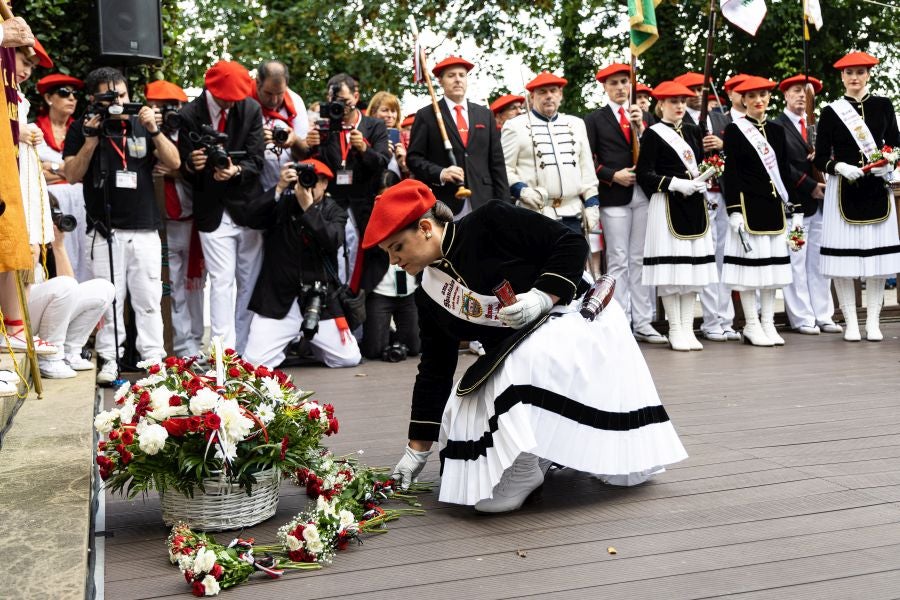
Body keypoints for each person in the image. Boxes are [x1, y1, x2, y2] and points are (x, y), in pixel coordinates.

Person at [364, 179, 687, 513]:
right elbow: (434, 370)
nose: (393, 261)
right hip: (522, 351)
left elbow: (571, 243)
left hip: (575, 318)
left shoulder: (490, 220)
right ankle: (539, 453)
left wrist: (542, 296)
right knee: (463, 402)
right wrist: (417, 449)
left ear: (425, 227)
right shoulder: (429, 292)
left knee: (521, 363)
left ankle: (526, 462)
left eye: (397, 248)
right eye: (388, 252)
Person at [63, 67, 180, 383]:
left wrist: (154, 130)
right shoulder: (82, 128)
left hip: (144, 227)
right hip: (105, 229)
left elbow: (174, 162)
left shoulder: (142, 124)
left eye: (123, 95)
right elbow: (71, 174)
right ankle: (110, 360)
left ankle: (154, 361)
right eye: (109, 97)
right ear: (94, 99)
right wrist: (90, 140)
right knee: (109, 302)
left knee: (148, 299)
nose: (118, 102)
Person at [178, 60, 266, 355]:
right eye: (225, 97)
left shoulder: (251, 109)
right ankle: (222, 354)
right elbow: (183, 165)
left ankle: (246, 350)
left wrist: (236, 170)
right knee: (220, 282)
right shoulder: (189, 114)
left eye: (236, 98)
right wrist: (193, 163)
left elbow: (257, 160)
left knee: (248, 282)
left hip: (247, 208)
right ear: (210, 89)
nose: (230, 102)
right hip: (211, 209)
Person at [813, 51, 900, 342]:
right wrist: (838, 166)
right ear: (841, 77)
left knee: (877, 263)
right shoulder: (830, 111)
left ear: (868, 75)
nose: (854, 78)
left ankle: (873, 322)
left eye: (860, 72)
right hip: (842, 191)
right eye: (849, 73)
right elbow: (820, 158)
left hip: (877, 188)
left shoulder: (883, 106)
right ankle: (850, 321)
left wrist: (889, 163)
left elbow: (896, 146)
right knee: (844, 262)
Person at [243, 159, 361, 368]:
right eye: (304, 181)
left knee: (349, 357)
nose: (309, 186)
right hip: (279, 301)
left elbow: (333, 240)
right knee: (254, 362)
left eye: (315, 181)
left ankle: (311, 344)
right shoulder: (282, 204)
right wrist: (279, 187)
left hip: (319, 301)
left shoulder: (335, 210)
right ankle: (290, 344)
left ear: (325, 184)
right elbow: (250, 218)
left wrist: (308, 209)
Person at [585, 62, 665, 344]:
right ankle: (621, 320)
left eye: (624, 82)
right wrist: (611, 175)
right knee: (618, 260)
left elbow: (655, 153)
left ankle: (644, 321)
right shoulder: (595, 120)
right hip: (614, 197)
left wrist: (640, 127)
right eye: (614, 83)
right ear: (605, 87)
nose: (620, 88)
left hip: (643, 194)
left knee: (640, 259)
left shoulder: (645, 118)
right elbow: (589, 159)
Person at [635, 81, 718, 352]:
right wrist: (673, 183)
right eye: (673, 101)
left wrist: (705, 176)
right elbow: (644, 174)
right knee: (673, 271)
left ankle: (687, 328)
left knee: (691, 270)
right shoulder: (653, 134)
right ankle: (675, 329)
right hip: (668, 203)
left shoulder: (694, 132)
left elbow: (706, 163)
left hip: (694, 205)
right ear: (661, 105)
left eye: (682, 100)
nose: (679, 106)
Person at [721, 76, 799, 347]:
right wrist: (733, 210)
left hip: (773, 208)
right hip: (748, 208)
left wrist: (795, 208)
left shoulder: (776, 131)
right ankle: (751, 325)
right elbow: (731, 173)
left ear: (768, 98)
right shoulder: (735, 130)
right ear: (743, 99)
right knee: (749, 272)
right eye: (752, 96)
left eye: (763, 95)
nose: (758, 100)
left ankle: (768, 322)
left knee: (772, 272)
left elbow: (785, 172)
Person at [303, 73, 390, 288]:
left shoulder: (374, 126)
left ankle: (359, 306)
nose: (339, 107)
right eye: (334, 102)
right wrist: (310, 145)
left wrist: (364, 149)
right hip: (334, 202)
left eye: (344, 101)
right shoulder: (323, 127)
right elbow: (316, 167)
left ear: (356, 96)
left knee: (369, 261)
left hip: (365, 203)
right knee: (336, 254)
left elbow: (382, 163)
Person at [673, 71, 739, 343]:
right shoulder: (680, 122)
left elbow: (740, 152)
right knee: (708, 259)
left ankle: (725, 319)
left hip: (722, 193)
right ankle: (712, 320)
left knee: (724, 258)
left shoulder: (721, 118)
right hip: (697, 195)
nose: (698, 96)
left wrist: (723, 145)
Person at [775, 74, 842, 335]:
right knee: (796, 260)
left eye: (807, 92)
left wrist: (824, 157)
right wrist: (809, 185)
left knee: (819, 263)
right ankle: (802, 317)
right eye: (796, 91)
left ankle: (823, 314)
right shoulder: (777, 126)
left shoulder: (818, 126)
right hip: (797, 207)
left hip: (822, 205)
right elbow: (781, 166)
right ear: (786, 95)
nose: (802, 96)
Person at [145, 79, 206, 357]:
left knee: (195, 285)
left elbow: (195, 170)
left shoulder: (192, 132)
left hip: (193, 222)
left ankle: (195, 340)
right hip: (163, 224)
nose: (169, 114)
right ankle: (182, 346)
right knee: (173, 287)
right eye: (160, 108)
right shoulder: (145, 133)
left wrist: (176, 171)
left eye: (173, 107)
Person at [407, 56, 509, 219]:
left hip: (484, 199)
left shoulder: (485, 114)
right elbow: (413, 159)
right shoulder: (426, 115)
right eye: (451, 75)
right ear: (440, 81)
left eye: (462, 75)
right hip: (445, 203)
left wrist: (505, 205)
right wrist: (441, 173)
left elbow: (497, 164)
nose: (458, 80)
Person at [501, 71, 600, 234]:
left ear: (560, 95)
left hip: (573, 215)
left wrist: (592, 205)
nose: (549, 96)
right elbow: (504, 168)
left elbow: (587, 171)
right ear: (532, 97)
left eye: (553, 91)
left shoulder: (577, 124)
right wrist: (522, 191)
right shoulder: (515, 126)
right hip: (534, 213)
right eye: (542, 92)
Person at [35, 73, 90, 281]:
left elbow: (83, 170)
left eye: (75, 94)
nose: (72, 98)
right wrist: (68, 170)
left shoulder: (82, 130)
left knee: (86, 254)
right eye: (64, 93)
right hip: (51, 204)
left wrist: (54, 167)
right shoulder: (35, 131)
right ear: (49, 98)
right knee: (57, 252)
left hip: (83, 202)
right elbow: (34, 173)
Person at [250, 60, 309, 191]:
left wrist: (294, 141)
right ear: (258, 83)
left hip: (289, 186)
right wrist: (257, 142)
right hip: (253, 189)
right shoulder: (244, 101)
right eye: (269, 93)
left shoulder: (296, 102)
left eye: (280, 93)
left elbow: (306, 153)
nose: (274, 100)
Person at [368, 91, 409, 185]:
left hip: (400, 191)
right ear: (373, 112)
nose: (390, 115)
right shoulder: (365, 136)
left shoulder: (405, 138)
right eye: (385, 110)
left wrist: (404, 163)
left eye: (393, 111)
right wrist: (381, 156)